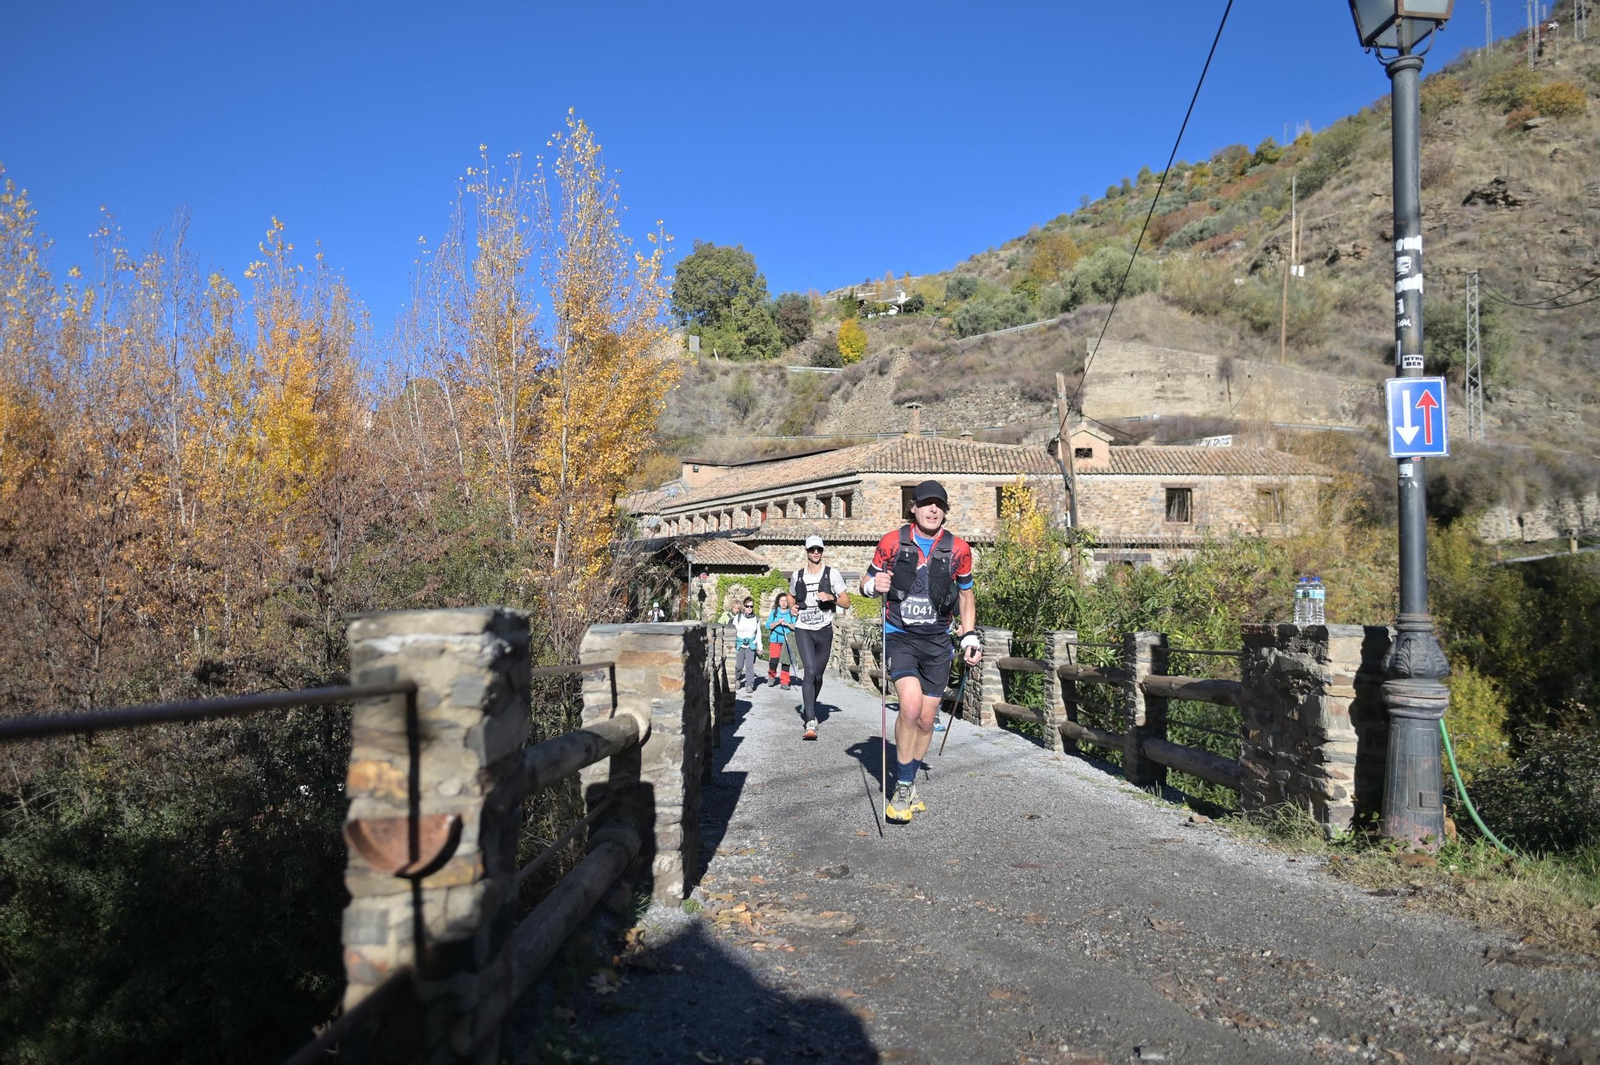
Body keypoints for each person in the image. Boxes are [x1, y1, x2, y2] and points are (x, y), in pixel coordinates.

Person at [858, 479, 981, 824]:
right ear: (913, 507)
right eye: (925, 503)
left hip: (939, 642)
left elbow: (967, 596)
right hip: (900, 635)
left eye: (938, 505)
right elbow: (866, 582)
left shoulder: (959, 549)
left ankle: (909, 782)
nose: (932, 510)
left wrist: (969, 636)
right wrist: (872, 587)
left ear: (944, 510)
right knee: (909, 708)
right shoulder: (892, 542)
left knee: (927, 721)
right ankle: (903, 784)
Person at [790, 534, 849, 740]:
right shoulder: (798, 575)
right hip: (803, 629)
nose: (816, 552)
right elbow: (790, 596)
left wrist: (831, 597)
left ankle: (810, 704)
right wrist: (792, 607)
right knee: (810, 670)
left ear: (822, 551)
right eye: (812, 549)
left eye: (819, 549)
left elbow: (846, 602)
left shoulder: (832, 574)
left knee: (818, 676)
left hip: (824, 630)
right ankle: (810, 720)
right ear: (806, 551)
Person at [766, 591, 798, 690]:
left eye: (785, 601)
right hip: (775, 639)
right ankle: (771, 675)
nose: (784, 603)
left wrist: (788, 624)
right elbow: (768, 625)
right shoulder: (774, 613)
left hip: (787, 639)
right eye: (781, 601)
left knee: (786, 662)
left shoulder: (792, 613)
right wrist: (777, 623)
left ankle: (785, 682)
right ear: (778, 602)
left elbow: (796, 627)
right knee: (774, 661)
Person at [732, 597, 763, 694]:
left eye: (751, 606)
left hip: (751, 644)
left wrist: (760, 646)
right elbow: (733, 631)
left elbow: (758, 633)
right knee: (739, 665)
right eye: (747, 606)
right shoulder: (738, 617)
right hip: (740, 644)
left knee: (750, 666)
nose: (749, 608)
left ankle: (749, 684)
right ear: (744, 606)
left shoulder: (756, 619)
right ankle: (737, 679)